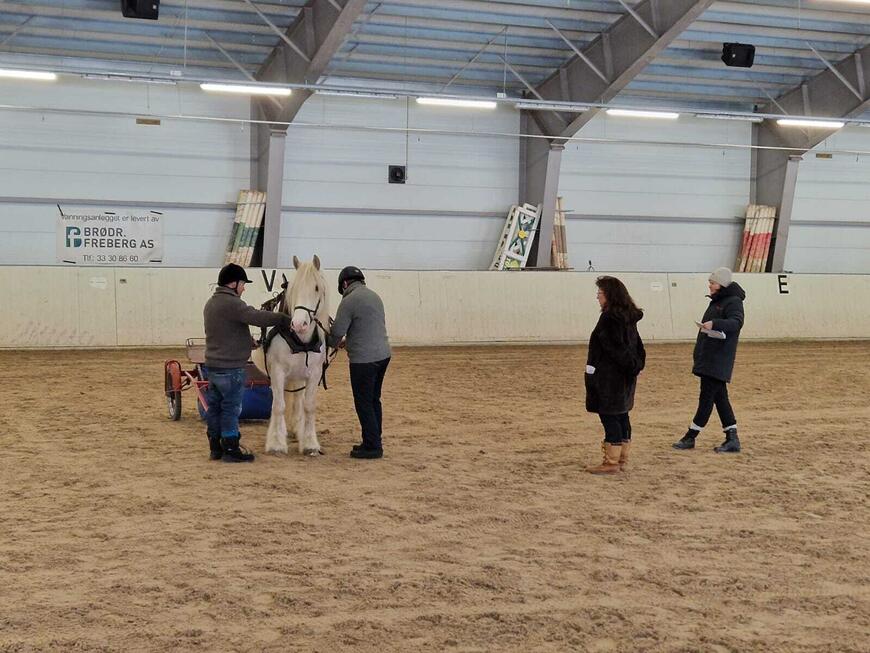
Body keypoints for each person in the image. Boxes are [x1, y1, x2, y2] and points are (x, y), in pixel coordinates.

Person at [203, 263, 290, 462]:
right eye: (242, 283)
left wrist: (245, 340)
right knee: (231, 409)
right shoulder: (233, 303)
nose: (244, 287)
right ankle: (232, 448)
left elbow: (226, 331)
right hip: (231, 368)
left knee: (215, 408)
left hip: (214, 366)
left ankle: (215, 447)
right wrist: (282, 318)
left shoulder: (212, 303)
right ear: (233, 283)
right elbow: (256, 317)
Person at [673, 267, 746, 453]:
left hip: (718, 359)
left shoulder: (733, 302)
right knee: (720, 399)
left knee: (706, 399)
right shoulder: (717, 302)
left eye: (712, 282)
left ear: (721, 284)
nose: (710, 285)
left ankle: (691, 436)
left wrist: (715, 324)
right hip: (710, 358)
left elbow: (736, 323)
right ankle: (732, 438)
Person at [327, 266, 391, 460]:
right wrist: (351, 341)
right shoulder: (374, 296)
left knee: (363, 402)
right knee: (373, 400)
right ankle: (373, 439)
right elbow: (367, 326)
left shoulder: (349, 301)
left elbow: (336, 332)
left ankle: (372, 447)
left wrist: (330, 341)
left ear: (345, 283)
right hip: (383, 355)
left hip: (364, 360)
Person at [584, 276, 646, 475]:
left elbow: (614, 348)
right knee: (622, 414)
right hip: (625, 376)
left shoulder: (609, 318)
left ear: (609, 295)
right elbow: (637, 345)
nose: (597, 297)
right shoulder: (627, 317)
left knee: (610, 415)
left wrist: (628, 365)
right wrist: (635, 365)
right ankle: (621, 457)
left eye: (600, 293)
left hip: (609, 376)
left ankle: (611, 461)